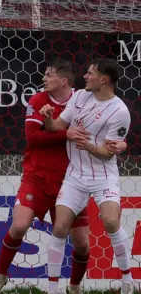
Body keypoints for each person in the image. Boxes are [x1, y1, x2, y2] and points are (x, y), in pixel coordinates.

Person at [0, 60, 125, 294]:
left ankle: (74, 287)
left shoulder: (82, 98)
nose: (44, 79)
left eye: (48, 75)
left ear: (63, 80)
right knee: (19, 226)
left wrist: (121, 142)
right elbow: (33, 138)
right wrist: (66, 134)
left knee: (81, 243)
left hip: (71, 181)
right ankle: (0, 276)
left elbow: (110, 125)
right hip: (37, 177)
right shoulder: (38, 100)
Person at [40, 58, 132, 294]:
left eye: (90, 73)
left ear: (103, 79)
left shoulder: (120, 112)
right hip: (75, 176)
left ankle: (127, 281)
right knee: (60, 227)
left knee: (111, 222)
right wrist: (49, 117)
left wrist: (88, 145)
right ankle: (52, 289)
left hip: (103, 176)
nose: (85, 76)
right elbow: (57, 127)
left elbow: (107, 155)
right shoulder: (80, 97)